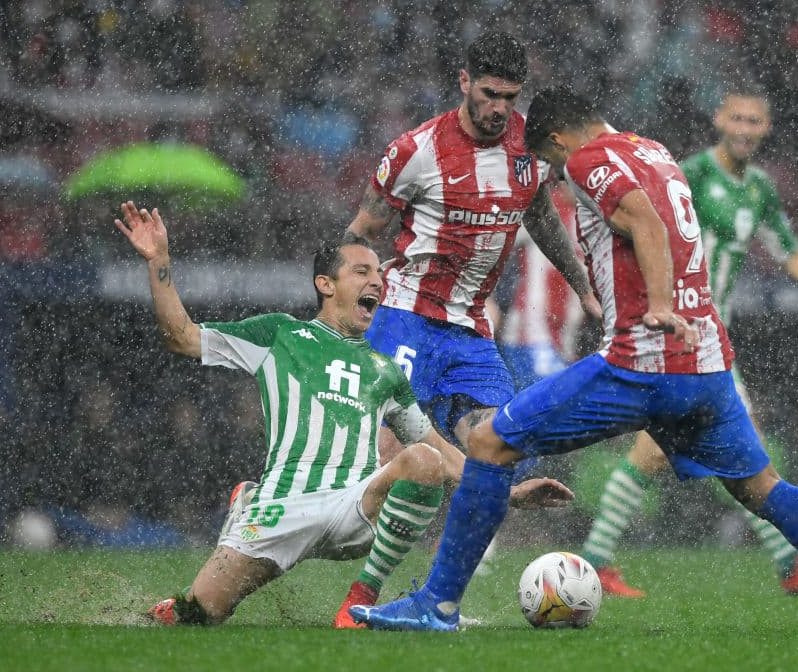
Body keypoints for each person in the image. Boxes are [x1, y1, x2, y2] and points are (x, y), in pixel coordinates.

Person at [349, 86, 798, 635]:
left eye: (549, 162)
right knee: (763, 487)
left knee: (488, 444)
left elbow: (644, 222)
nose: (554, 175)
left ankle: (437, 603)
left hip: (641, 363)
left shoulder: (585, 159)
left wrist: (656, 305)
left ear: (555, 140)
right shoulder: (654, 151)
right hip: (706, 365)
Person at [113, 202, 572, 627]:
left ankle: (362, 597)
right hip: (284, 507)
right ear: (326, 284)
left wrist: (506, 493)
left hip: (355, 507)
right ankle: (245, 511)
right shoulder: (279, 334)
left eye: (378, 274)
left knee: (424, 461)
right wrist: (158, 260)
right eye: (362, 272)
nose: (377, 282)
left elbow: (434, 447)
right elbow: (182, 336)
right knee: (198, 615)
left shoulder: (385, 368)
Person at [580, 78, 798, 597]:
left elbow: (793, 254)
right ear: (719, 120)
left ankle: (594, 563)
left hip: (706, 336)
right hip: (681, 330)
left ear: (766, 128)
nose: (744, 129)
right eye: (736, 119)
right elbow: (642, 228)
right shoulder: (690, 174)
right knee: (736, 451)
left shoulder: (759, 189)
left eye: (754, 121)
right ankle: (791, 564)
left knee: (661, 452)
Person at [343, 31, 599, 457]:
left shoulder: (530, 148)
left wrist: (584, 290)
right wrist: (341, 310)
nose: (498, 107)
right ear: (465, 82)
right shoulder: (417, 150)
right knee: (384, 456)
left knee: (496, 449)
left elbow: (540, 217)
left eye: (510, 97)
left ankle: (476, 523)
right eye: (489, 93)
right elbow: (360, 233)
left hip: (471, 329)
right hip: (407, 315)